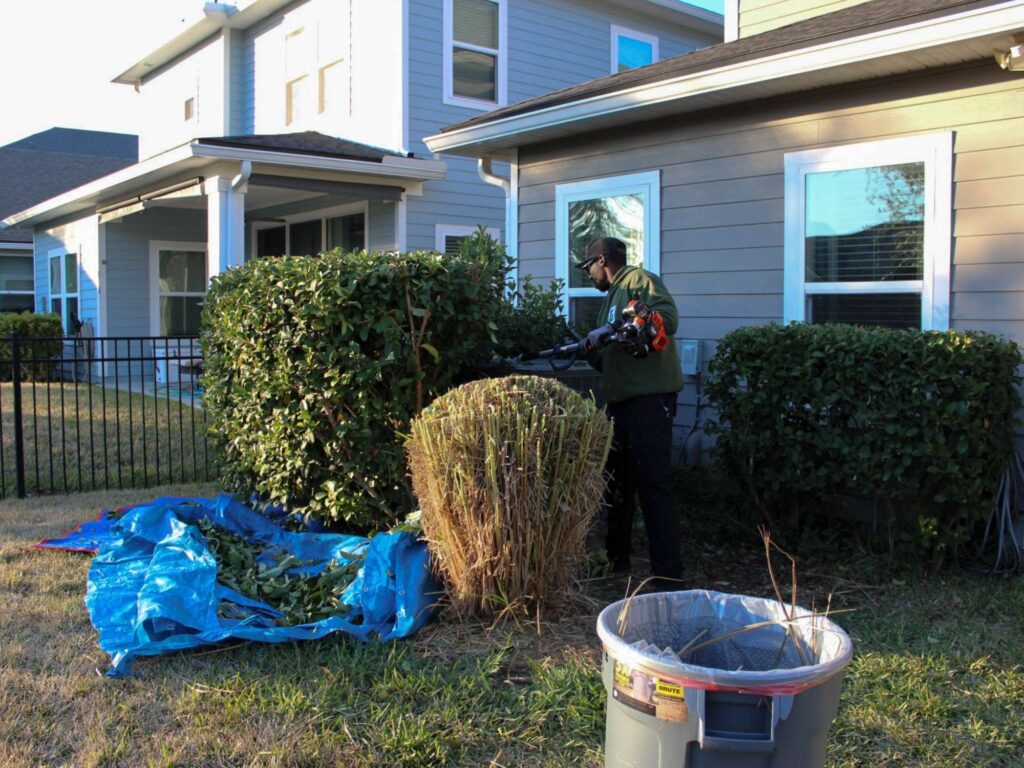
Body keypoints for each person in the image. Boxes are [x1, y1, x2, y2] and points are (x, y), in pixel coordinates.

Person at [579, 236, 684, 591]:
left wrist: (619, 328)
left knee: (653, 484)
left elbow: (666, 318)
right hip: (621, 403)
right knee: (617, 483)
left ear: (603, 260)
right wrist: (591, 346)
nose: (588, 274)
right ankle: (615, 559)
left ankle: (668, 577)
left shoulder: (639, 281)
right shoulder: (610, 297)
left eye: (588, 266)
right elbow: (608, 353)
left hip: (650, 401)